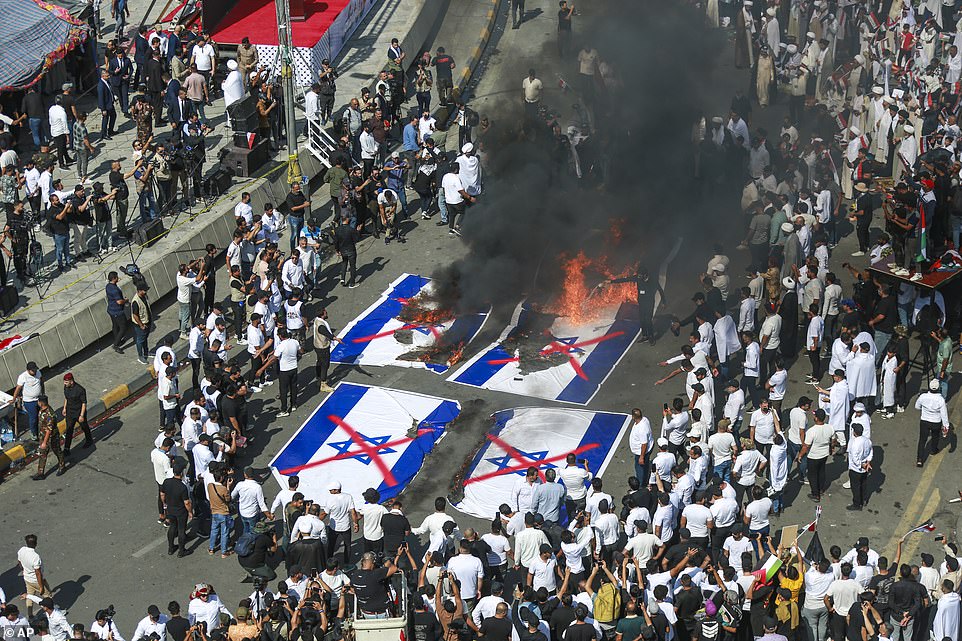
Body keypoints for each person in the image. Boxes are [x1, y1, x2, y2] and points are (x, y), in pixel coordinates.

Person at [160, 460, 192, 556]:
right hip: (181, 511)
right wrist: (190, 512)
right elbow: (186, 502)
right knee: (181, 530)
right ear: (182, 473)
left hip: (170, 509)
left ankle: (171, 548)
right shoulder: (182, 487)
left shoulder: (166, 482)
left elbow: (162, 494)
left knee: (172, 527)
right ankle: (181, 551)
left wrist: (165, 503)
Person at [915, 379, 949, 467]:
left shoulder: (923, 396)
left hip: (924, 421)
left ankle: (919, 459)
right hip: (936, 422)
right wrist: (946, 426)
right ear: (938, 389)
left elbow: (917, 406)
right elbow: (944, 414)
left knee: (922, 440)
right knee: (935, 436)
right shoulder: (941, 400)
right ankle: (933, 450)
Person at [61, 373, 92, 457]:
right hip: (70, 412)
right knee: (69, 429)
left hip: (79, 412)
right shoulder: (66, 387)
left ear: (71, 381)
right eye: (64, 382)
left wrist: (81, 415)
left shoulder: (80, 390)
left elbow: (84, 403)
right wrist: (64, 408)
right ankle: (66, 449)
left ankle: (89, 440)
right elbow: (66, 398)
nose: (65, 383)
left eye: (66, 382)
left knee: (84, 426)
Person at [13, 361, 43, 439]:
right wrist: (14, 399)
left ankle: (40, 430)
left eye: (35, 370)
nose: (35, 371)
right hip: (29, 401)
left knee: (41, 415)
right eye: (33, 370)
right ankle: (34, 433)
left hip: (39, 399)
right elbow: (18, 388)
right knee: (33, 418)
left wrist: (43, 393)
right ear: (28, 370)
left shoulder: (38, 373)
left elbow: (41, 382)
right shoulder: (23, 377)